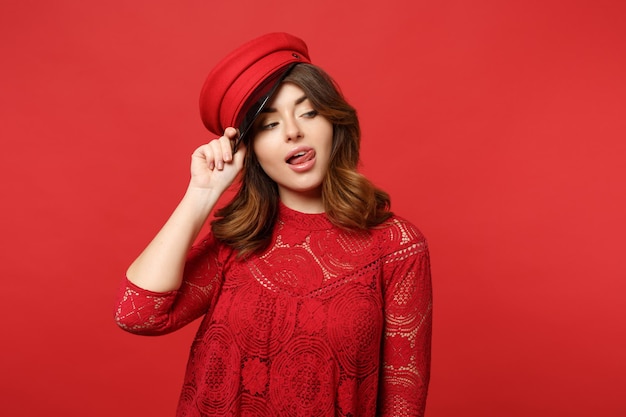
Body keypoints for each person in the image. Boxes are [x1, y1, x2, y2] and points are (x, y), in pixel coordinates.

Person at [115, 32, 432, 417]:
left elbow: (403, 401)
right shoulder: (237, 242)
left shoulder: (396, 246)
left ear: (334, 121)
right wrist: (202, 193)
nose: (292, 131)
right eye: (267, 125)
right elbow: (137, 314)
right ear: (249, 149)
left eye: (308, 111)